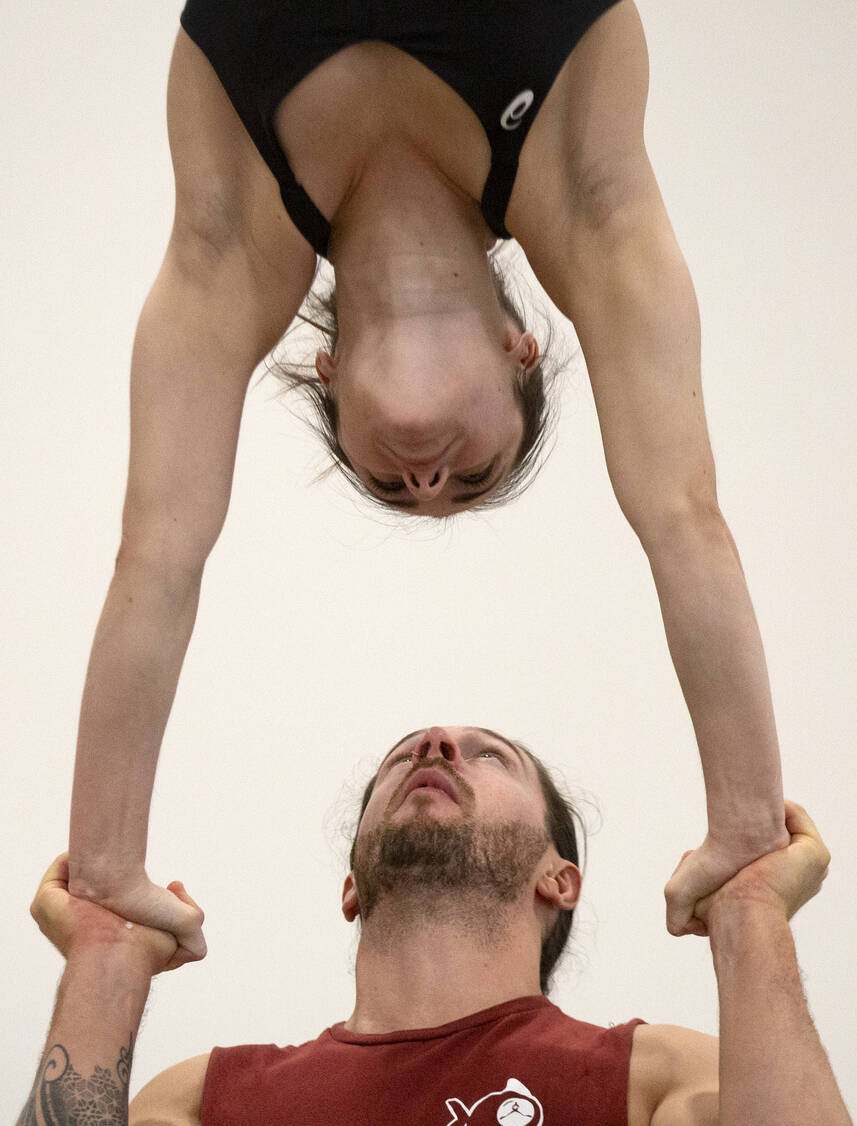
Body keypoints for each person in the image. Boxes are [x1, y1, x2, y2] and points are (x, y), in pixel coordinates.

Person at [68, 1, 788, 958]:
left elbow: (156, 557)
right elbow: (682, 517)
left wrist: (104, 870)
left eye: (397, 487)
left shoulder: (232, 250)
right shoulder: (584, 194)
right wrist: (746, 831)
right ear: (520, 352)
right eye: (473, 473)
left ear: (325, 377)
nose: (429, 476)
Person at [3, 726, 855, 1126]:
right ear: (351, 887)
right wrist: (104, 964)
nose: (437, 747)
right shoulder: (203, 1104)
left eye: (490, 755)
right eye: (400, 757)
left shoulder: (654, 1080)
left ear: (560, 880)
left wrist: (749, 916)